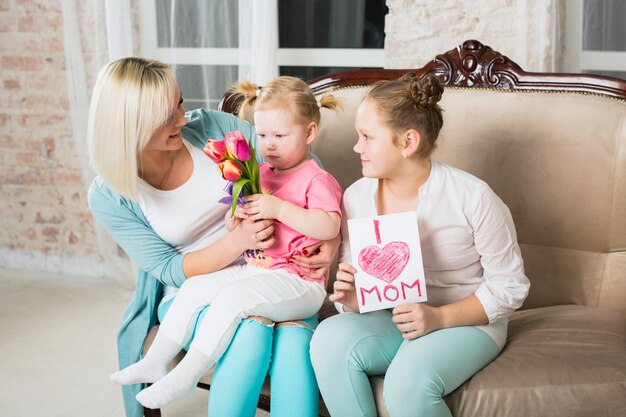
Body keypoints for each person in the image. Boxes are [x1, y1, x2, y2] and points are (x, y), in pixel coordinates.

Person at [87, 58, 339, 417]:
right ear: (129, 126)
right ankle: (170, 370)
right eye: (165, 116)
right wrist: (237, 241)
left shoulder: (214, 128)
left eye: (179, 102)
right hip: (198, 287)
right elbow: (168, 269)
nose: (182, 118)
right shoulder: (109, 195)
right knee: (250, 336)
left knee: (296, 344)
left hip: (278, 270)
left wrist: (327, 246)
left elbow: (303, 173)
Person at [309, 74, 531, 417]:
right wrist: (353, 300)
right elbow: (361, 280)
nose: (357, 147)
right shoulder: (356, 198)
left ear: (407, 142)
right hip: (395, 318)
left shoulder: (473, 198)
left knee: (406, 382)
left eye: (367, 137)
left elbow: (509, 287)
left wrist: (439, 318)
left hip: (467, 322)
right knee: (328, 339)